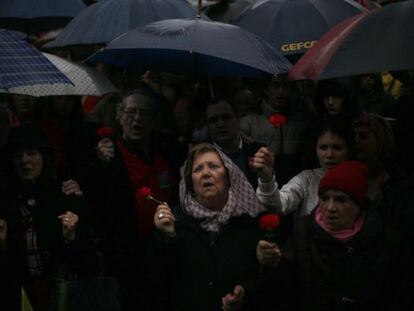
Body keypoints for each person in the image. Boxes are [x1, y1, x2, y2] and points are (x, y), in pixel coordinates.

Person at [223, 160, 414, 310]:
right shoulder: (303, 234)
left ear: (359, 205)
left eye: (341, 200)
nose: (330, 208)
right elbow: (283, 287)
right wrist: (252, 286)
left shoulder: (388, 241)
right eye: (324, 198)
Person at [76, 88, 183, 310]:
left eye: (144, 113)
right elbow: (85, 189)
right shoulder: (105, 152)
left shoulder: (169, 147)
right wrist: (99, 162)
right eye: (131, 111)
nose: (137, 118)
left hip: (165, 250)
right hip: (124, 257)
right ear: (119, 115)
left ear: (154, 120)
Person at [144, 143, 267, 310]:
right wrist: (166, 238)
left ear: (228, 176)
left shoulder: (247, 220)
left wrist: (246, 293)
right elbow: (155, 280)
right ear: (190, 183)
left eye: (214, 166)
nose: (206, 174)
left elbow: (267, 282)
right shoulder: (174, 221)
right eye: (198, 169)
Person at [0, 124, 94, 311]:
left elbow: (88, 262)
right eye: (18, 155)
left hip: (59, 292)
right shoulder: (5, 201)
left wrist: (70, 237)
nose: (24, 161)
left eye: (32, 153)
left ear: (44, 156)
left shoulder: (64, 194)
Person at [254, 120, 353, 216]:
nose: (329, 155)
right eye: (323, 147)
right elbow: (278, 205)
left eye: (337, 148)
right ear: (316, 150)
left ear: (349, 151)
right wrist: (266, 178)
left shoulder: (358, 179)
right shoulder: (307, 179)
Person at [205, 98, 265, 188]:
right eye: (213, 120)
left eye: (226, 118)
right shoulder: (200, 158)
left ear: (238, 119)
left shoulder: (259, 152)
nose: (220, 124)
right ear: (207, 126)